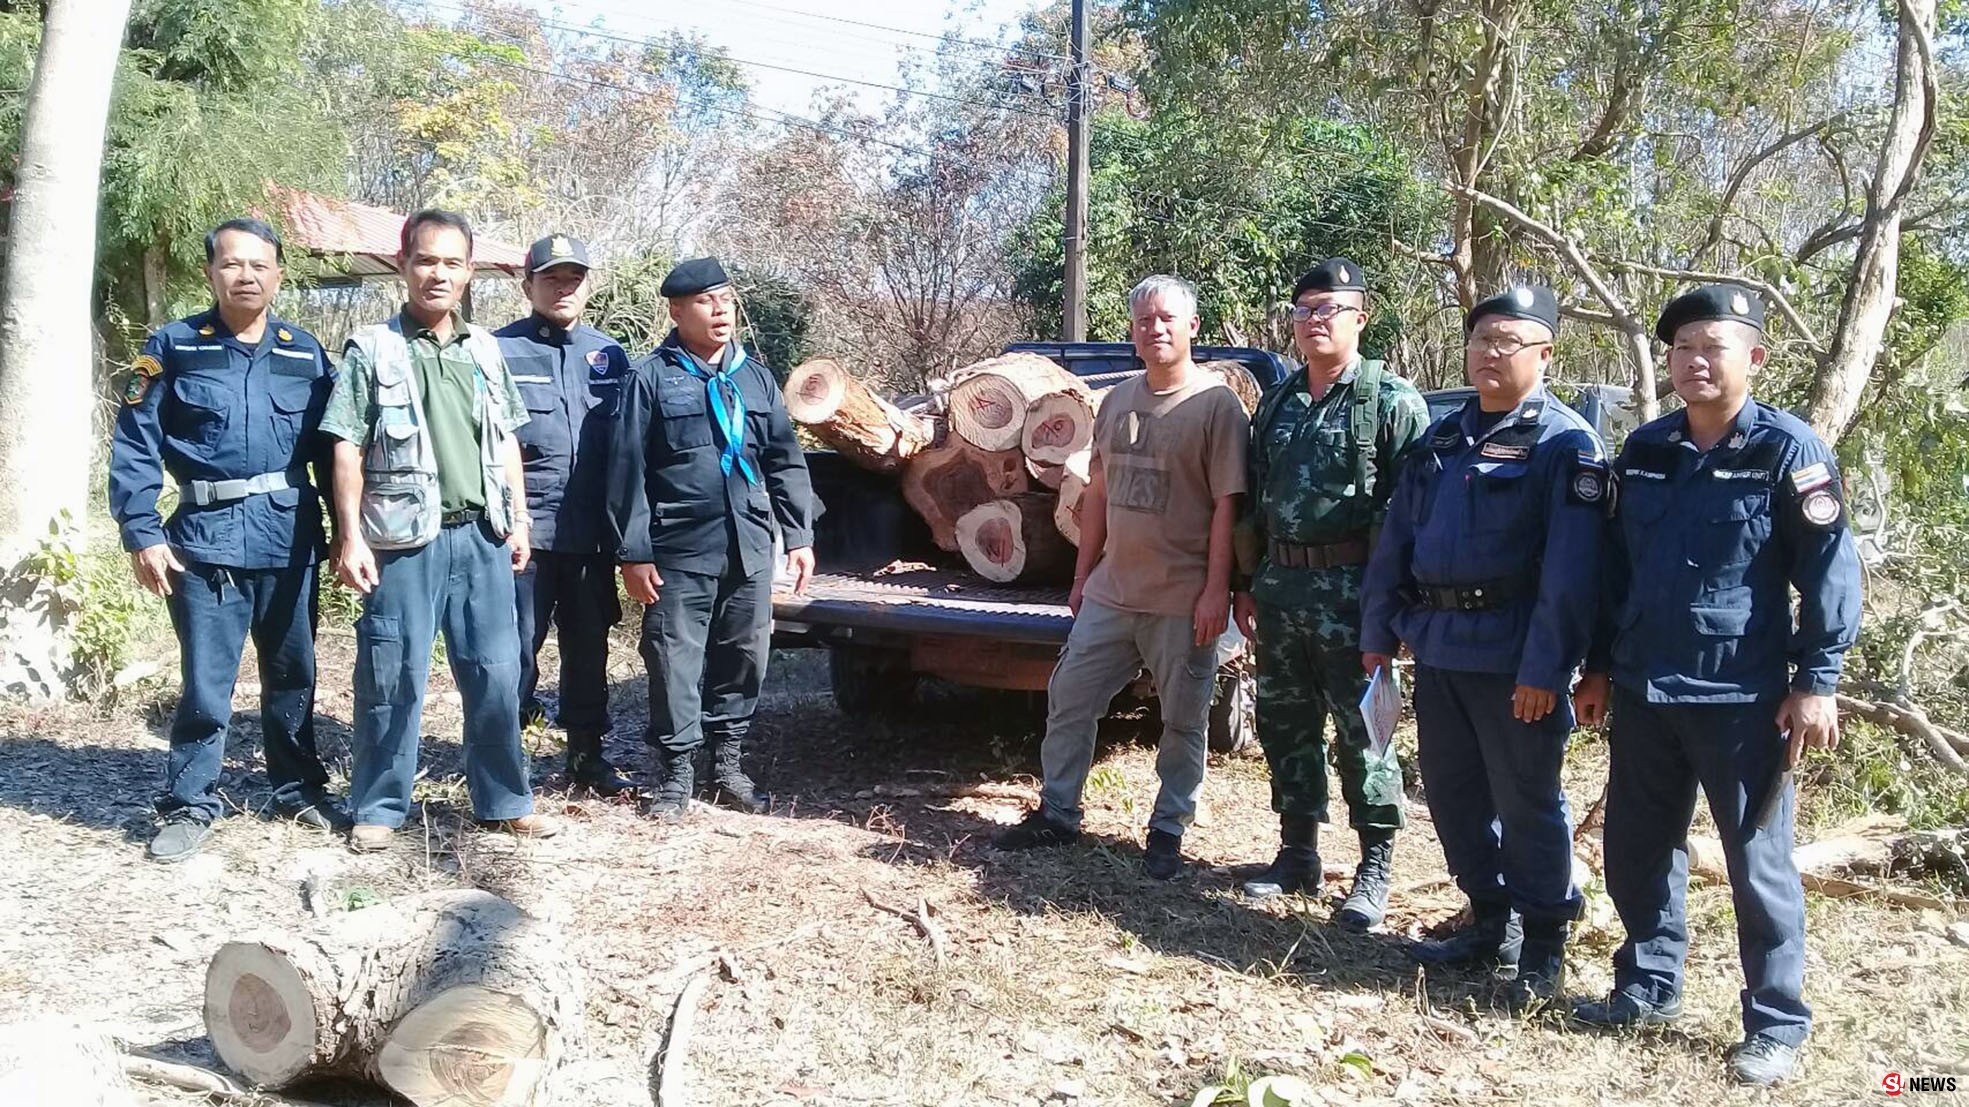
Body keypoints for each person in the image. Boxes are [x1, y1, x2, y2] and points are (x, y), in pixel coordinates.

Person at [1569, 286, 1861, 1085]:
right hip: (1644, 688)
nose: (1695, 361)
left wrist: (1817, 679)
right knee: (1636, 847)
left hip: (1742, 697)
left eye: (1713, 346)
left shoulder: (1786, 451)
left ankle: (1774, 1022)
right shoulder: (1647, 448)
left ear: (1753, 358)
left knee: (1756, 864)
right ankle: (1647, 984)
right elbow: (1613, 570)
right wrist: (1596, 664)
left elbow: (1830, 573)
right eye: (1682, 348)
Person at [1359, 284, 1607, 1010]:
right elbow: (1395, 543)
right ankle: (1487, 921)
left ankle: (1541, 943)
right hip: (1438, 645)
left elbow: (1571, 573)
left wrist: (1546, 669)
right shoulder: (1442, 437)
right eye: (1481, 339)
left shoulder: (1565, 443)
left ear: (1544, 353)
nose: (1490, 353)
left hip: (1513, 656)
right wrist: (1377, 632)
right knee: (1453, 793)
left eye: (1508, 340)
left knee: (1528, 801)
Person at [993, 275, 1249, 880]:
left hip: (1182, 599)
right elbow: (1100, 492)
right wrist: (1083, 575)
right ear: (1132, 332)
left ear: (1192, 328)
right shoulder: (1116, 401)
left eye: (1166, 319)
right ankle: (1058, 813)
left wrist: (1217, 590)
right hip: (1113, 590)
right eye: (1142, 321)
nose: (1154, 329)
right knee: (1069, 696)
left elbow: (1227, 507)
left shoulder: (1215, 406)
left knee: (1184, 720)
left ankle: (1167, 829)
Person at [108, 218, 346, 863]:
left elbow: (334, 452)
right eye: (233, 264)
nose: (247, 275)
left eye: (260, 265)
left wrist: (351, 533)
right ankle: (190, 802)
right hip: (204, 543)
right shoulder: (174, 347)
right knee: (207, 683)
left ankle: (297, 787)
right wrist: (141, 531)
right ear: (211, 272)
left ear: (278, 274)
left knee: (293, 675)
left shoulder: (305, 352)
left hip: (289, 538)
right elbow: (136, 446)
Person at [320, 208, 559, 851]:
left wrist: (520, 520)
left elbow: (505, 437)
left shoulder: (484, 350)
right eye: (426, 260)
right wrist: (350, 536)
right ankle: (378, 805)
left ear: (469, 272)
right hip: (402, 541)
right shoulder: (372, 349)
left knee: (497, 672)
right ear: (403, 266)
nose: (438, 273)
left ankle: (505, 799)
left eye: (452, 262)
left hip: (480, 535)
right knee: (391, 674)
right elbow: (346, 444)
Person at [1233, 257, 1430, 927]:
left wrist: (1396, 607)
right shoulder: (1280, 402)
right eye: (1304, 310)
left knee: (1363, 733)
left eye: (1330, 308)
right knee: (1284, 721)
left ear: (1359, 318)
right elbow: (1255, 502)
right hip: (1282, 588)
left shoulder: (1392, 401)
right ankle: (1297, 853)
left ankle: (1373, 866)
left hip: (1357, 595)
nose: (1315, 320)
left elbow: (1412, 517)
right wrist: (1246, 581)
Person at [606, 257, 815, 819]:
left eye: (725, 298)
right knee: (674, 658)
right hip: (678, 549)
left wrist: (798, 534)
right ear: (677, 311)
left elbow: (784, 460)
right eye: (705, 301)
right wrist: (634, 551)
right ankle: (676, 774)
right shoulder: (649, 378)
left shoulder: (754, 376)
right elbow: (627, 472)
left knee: (744, 654)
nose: (721, 310)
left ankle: (727, 765)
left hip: (748, 543)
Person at [494, 233, 634, 794]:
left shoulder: (612, 354)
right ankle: (505, 759)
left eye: (572, 278)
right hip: (524, 533)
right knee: (513, 649)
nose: (563, 288)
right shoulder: (496, 349)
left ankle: (586, 755)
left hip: (591, 535)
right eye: (551, 278)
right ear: (527, 285)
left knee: (588, 648)